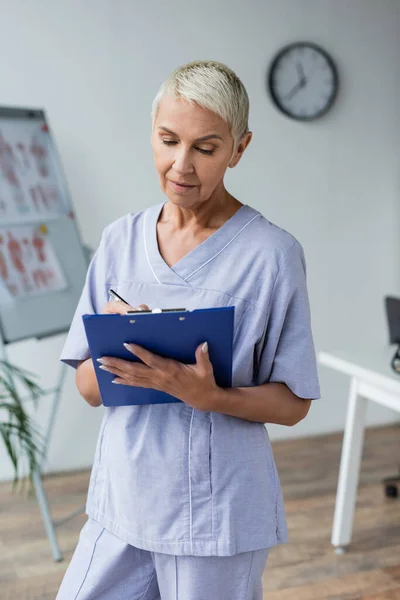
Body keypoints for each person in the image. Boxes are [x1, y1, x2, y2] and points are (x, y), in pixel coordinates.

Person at [56, 60, 320, 600]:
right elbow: (85, 388)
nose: (182, 164)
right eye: (168, 140)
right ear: (152, 133)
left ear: (239, 149)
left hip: (216, 513)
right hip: (123, 501)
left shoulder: (272, 256)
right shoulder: (119, 241)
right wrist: (114, 347)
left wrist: (210, 396)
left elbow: (294, 403)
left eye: (206, 147)